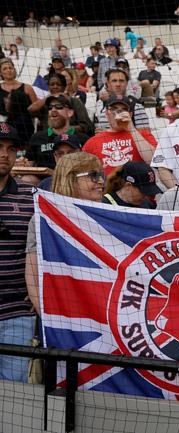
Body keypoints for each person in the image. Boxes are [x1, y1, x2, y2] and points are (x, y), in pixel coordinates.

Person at [25, 152, 105, 314]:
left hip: (102, 309)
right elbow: (33, 274)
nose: (101, 181)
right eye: (93, 176)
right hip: (62, 311)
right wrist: (46, 315)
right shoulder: (43, 219)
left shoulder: (110, 216)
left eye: (101, 175)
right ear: (70, 179)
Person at [0, 122, 35, 383]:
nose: (5, 154)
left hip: (17, 312)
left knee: (15, 394)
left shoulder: (32, 196)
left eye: (11, 149)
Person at [83, 95, 157, 175]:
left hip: (137, 185)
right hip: (108, 186)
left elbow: (153, 161)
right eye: (114, 109)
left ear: (130, 114)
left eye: (123, 110)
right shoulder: (92, 142)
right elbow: (84, 171)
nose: (118, 113)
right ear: (106, 114)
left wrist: (132, 129)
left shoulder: (143, 134)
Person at [24, 95, 89, 169]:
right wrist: (23, 163)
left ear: (70, 112)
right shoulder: (37, 137)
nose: (53, 110)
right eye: (50, 108)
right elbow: (29, 164)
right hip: (43, 179)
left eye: (59, 107)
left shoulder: (83, 139)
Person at [0, 58, 37, 144]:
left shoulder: (27, 88)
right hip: (3, 126)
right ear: (1, 73)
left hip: (25, 126)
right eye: (5, 69)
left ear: (14, 69)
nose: (9, 70)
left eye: (10, 68)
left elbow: (36, 110)